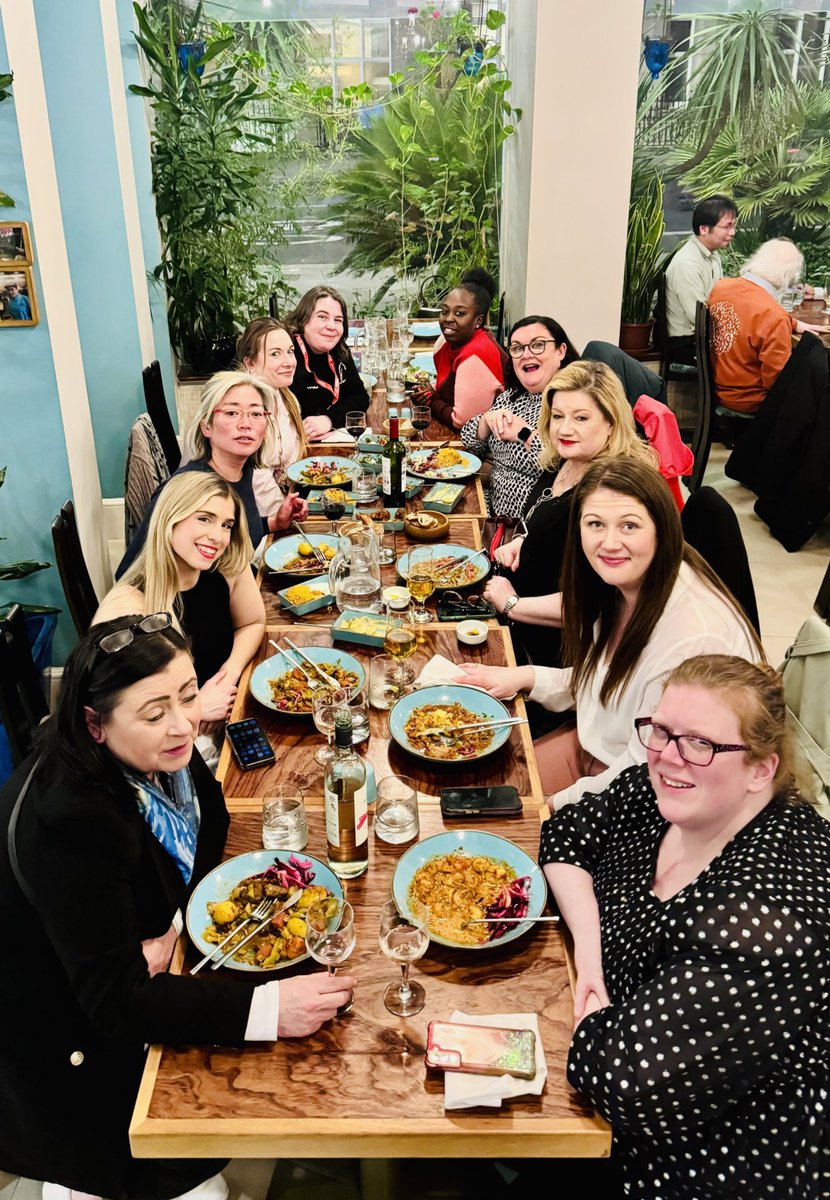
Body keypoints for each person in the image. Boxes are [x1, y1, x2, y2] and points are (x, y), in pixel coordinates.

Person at [0, 617, 355, 1200]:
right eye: (155, 710)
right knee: (166, 1157)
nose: (183, 722)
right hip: (53, 1037)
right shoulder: (70, 824)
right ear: (94, 723)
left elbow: (209, 823)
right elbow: (117, 1004)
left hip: (103, 974)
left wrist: (168, 923)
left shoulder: (156, 759)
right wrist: (268, 1009)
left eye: (188, 695)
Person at [539, 654, 830, 1199]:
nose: (670, 757)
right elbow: (568, 833)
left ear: (761, 769)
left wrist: (597, 1013)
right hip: (599, 1047)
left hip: (700, 1155)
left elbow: (623, 1081)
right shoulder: (673, 792)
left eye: (701, 743)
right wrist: (591, 956)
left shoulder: (765, 924)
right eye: (662, 731)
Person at [457, 459, 763, 809]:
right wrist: (523, 676)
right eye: (595, 524)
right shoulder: (622, 587)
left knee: (501, 818)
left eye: (629, 526)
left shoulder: (692, 638)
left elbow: (646, 770)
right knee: (474, 793)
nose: (610, 542)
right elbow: (606, 680)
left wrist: (548, 808)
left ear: (662, 528)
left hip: (655, 793)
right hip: (600, 746)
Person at [484, 361, 658, 670]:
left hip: (557, 656)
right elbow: (550, 523)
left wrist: (513, 605)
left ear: (611, 423)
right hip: (518, 619)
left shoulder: (611, 494)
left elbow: (598, 602)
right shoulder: (564, 460)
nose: (564, 429)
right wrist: (524, 541)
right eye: (558, 416)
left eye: (581, 418)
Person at [95, 473, 266, 730]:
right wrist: (194, 707)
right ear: (170, 519)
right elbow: (118, 720)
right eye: (204, 519)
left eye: (226, 525)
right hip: (174, 741)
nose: (217, 537)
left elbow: (252, 622)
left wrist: (228, 675)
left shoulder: (226, 564)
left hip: (227, 707)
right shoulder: (128, 607)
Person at [117, 371, 307, 577]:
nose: (246, 423)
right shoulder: (189, 489)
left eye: (256, 414)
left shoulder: (243, 471)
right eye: (232, 413)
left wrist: (273, 522)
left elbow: (238, 533)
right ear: (206, 426)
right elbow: (129, 574)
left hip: (237, 591)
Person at [460, 315, 578, 517]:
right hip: (489, 512)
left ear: (561, 351)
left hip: (525, 527)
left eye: (538, 345)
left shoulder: (571, 401)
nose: (526, 354)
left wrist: (523, 433)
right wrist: (487, 420)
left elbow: (561, 465)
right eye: (517, 348)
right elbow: (470, 443)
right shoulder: (513, 396)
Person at [708, 238, 825, 414]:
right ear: (788, 276)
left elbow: (749, 317)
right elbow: (777, 383)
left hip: (720, 384)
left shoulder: (722, 287)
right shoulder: (773, 316)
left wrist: (793, 323)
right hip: (750, 399)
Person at [236, 316, 308, 517]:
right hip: (241, 520)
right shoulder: (244, 411)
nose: (289, 362)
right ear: (249, 363)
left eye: (290, 352)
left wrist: (292, 504)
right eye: (275, 354)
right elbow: (257, 485)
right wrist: (284, 515)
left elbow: (290, 465)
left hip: (276, 511)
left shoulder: (284, 396)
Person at [417, 272, 507, 429]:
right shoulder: (446, 342)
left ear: (478, 320)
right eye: (444, 311)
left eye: (459, 313)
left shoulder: (476, 355)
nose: (449, 318)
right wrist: (426, 393)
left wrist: (432, 400)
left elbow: (463, 422)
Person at [285, 285, 369, 441]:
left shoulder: (339, 350)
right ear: (303, 319)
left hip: (325, 443)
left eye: (338, 320)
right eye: (322, 317)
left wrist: (329, 419)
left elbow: (360, 398)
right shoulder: (286, 353)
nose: (331, 326)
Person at [664, 193, 738, 363]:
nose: (733, 232)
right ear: (704, 229)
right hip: (686, 342)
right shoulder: (687, 262)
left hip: (702, 335)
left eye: (734, 226)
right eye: (727, 227)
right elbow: (699, 317)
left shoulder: (713, 256)